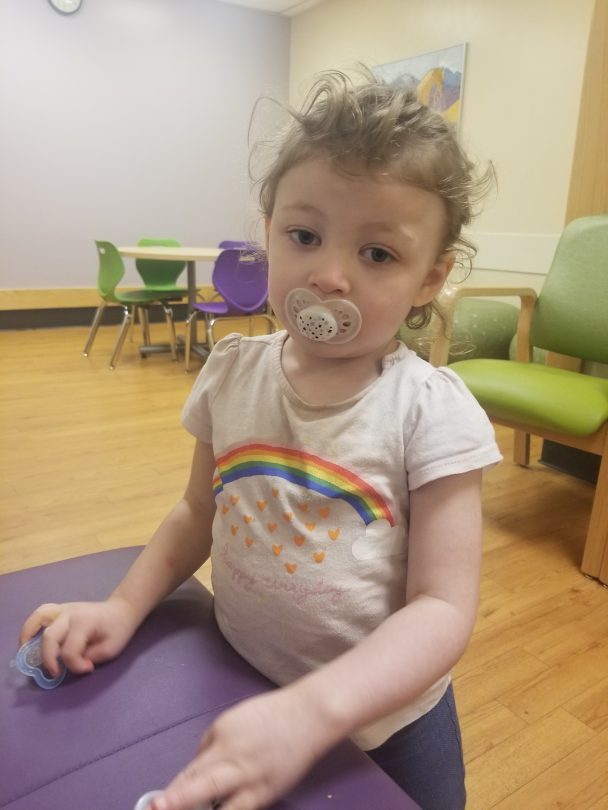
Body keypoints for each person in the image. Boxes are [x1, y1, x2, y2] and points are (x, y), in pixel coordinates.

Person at [20, 70, 501, 810]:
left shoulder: (430, 412)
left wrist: (313, 711)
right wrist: (121, 608)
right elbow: (196, 511)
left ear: (430, 278)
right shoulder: (231, 371)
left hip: (384, 728)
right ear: (268, 231)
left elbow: (442, 607)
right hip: (241, 680)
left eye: (378, 254)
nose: (330, 276)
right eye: (304, 236)